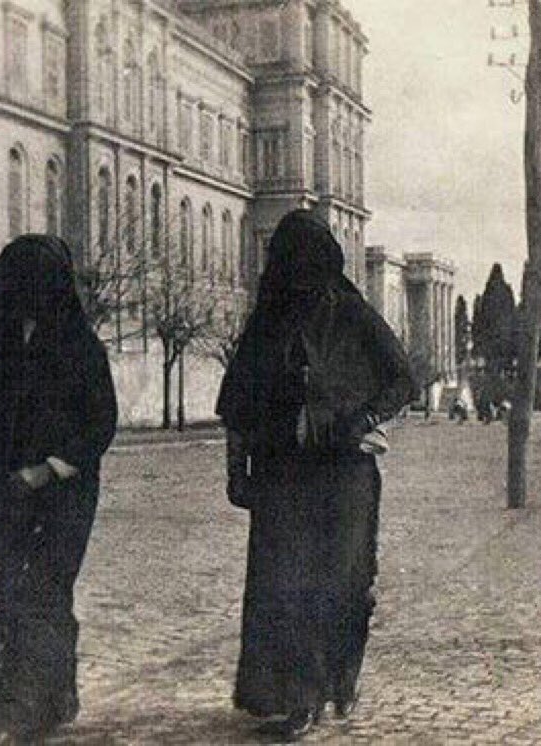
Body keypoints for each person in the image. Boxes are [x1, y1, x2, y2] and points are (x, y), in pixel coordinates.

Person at [216, 210, 417, 741]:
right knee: (287, 586)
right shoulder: (267, 322)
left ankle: (341, 675)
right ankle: (299, 698)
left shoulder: (351, 313)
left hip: (344, 476)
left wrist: (363, 419)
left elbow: (403, 380)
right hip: (281, 475)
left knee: (344, 583)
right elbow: (236, 404)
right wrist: (236, 470)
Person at [0, 235, 118, 745]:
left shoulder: (82, 347)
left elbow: (100, 423)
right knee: (17, 590)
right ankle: (44, 696)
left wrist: (47, 470)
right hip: (3, 493)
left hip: (64, 496)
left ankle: (29, 709)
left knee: (45, 592)